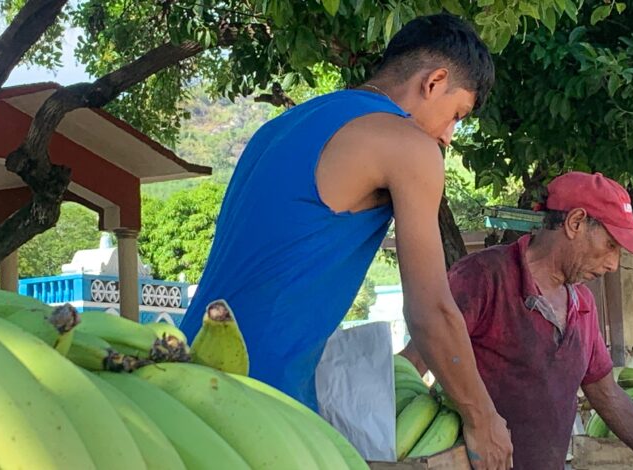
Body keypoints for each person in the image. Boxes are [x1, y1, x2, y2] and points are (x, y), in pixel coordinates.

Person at [180, 12, 514, 469]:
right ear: (434, 81)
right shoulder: (409, 146)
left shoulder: (280, 127)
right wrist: (483, 417)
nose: (449, 136)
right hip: (260, 405)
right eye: (456, 115)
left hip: (185, 373)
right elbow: (430, 310)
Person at [401, 172, 633, 470]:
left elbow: (608, 396)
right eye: (610, 245)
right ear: (576, 222)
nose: (613, 264)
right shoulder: (483, 277)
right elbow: (413, 363)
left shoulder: (584, 306)